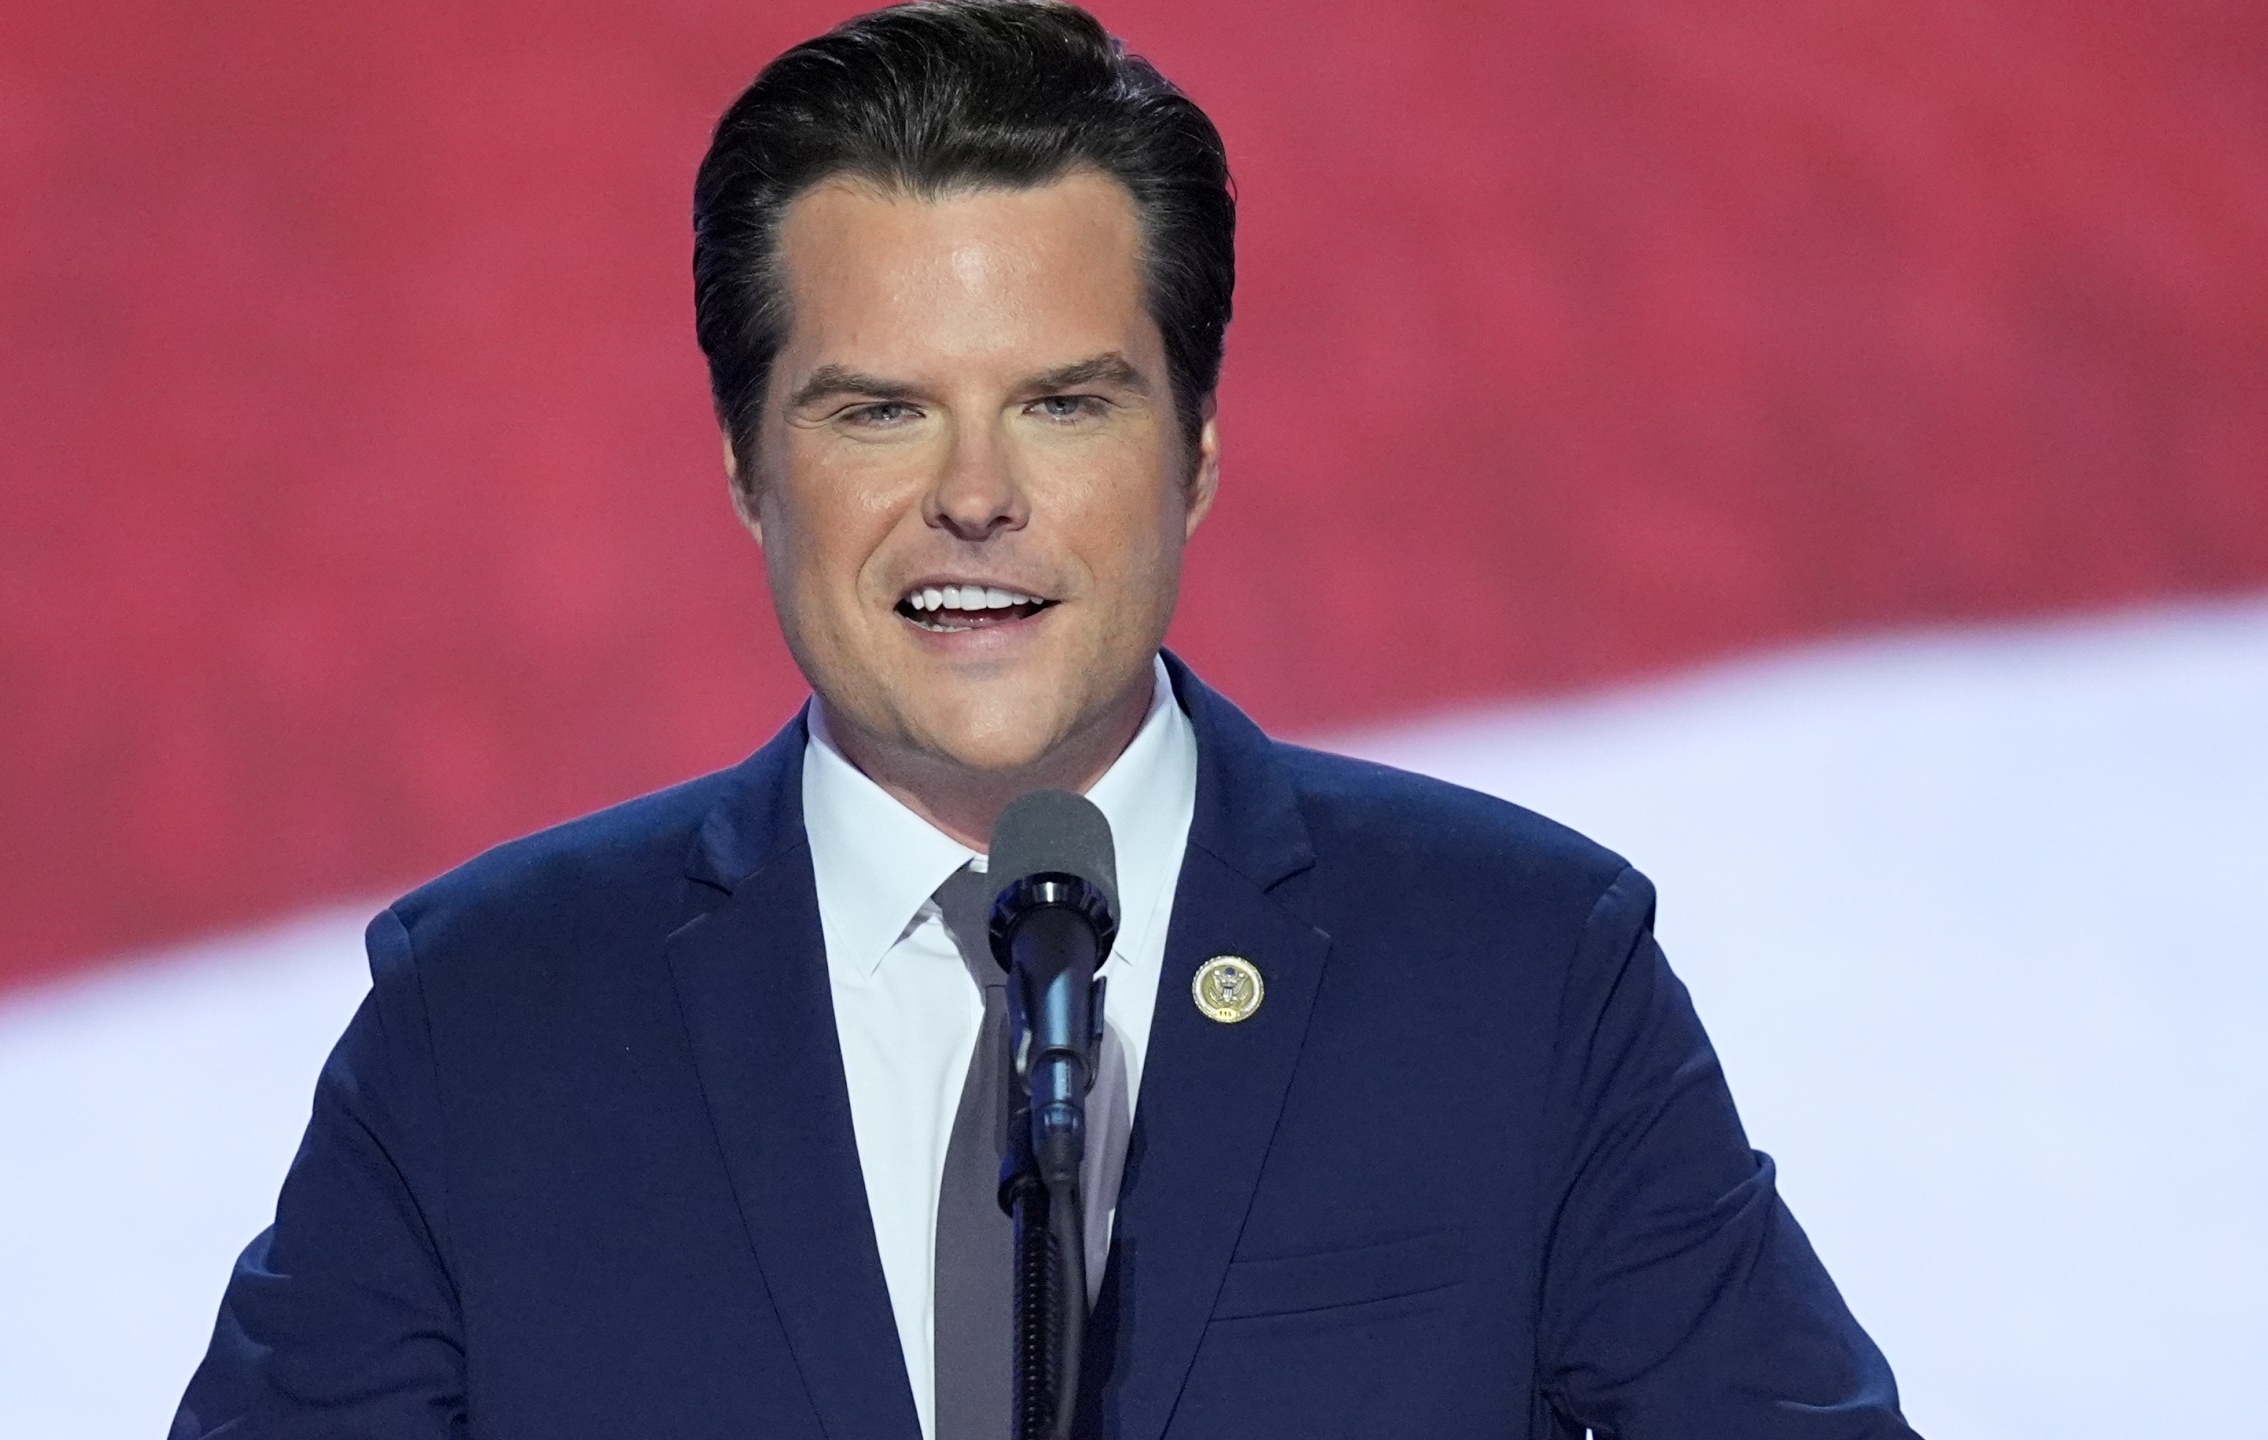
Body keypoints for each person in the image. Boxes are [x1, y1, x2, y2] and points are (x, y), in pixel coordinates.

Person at [173, 3, 1918, 1436]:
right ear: (741, 468)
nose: (977, 499)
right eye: (876, 412)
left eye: (1067, 404)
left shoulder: (1522, 968)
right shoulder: (486, 1019)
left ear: (1201, 447)